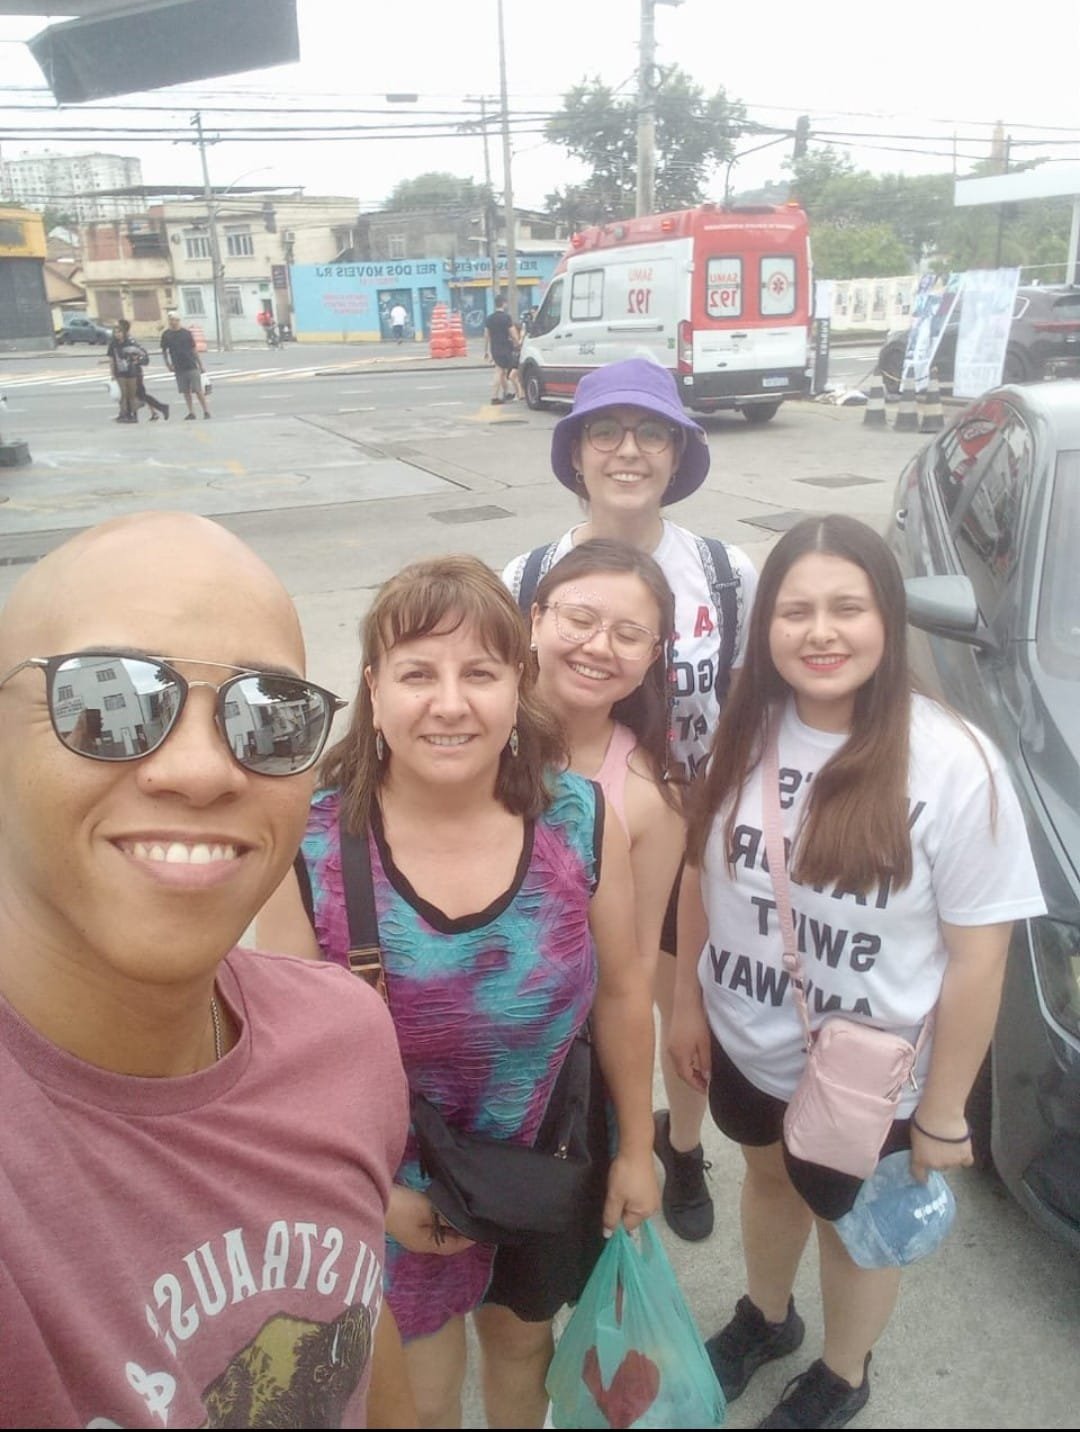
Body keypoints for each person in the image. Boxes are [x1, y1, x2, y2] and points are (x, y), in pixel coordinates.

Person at [0, 510, 416, 1429]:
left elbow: (352, 1314)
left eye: (270, 717)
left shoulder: (346, 1037)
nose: (200, 769)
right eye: (107, 699)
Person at [257, 554, 659, 1430]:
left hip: (544, 1167)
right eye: (417, 674)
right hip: (400, 1198)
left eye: (479, 673)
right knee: (424, 1399)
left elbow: (626, 993)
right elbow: (285, 1071)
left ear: (518, 685)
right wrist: (372, 1199)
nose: (449, 703)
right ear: (373, 689)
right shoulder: (311, 849)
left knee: (522, 1354)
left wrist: (637, 1148)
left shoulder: (579, 821)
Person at [669, 514, 1045, 1430]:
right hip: (747, 1042)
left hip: (871, 1085)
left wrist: (944, 1110)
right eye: (795, 610)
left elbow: (980, 953)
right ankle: (767, 1318)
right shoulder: (741, 733)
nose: (820, 632)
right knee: (767, 1182)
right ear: (766, 626)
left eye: (848, 607)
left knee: (855, 1229)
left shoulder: (955, 764)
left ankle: (843, 1372)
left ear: (888, 619)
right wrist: (685, 1005)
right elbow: (695, 875)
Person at [503, 356, 758, 1244]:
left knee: (681, 1004)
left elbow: (755, 702)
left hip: (686, 832)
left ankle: (679, 1145)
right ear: (576, 453)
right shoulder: (529, 572)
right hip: (553, 827)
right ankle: (573, 1140)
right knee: (570, 996)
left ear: (677, 454)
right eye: (605, 432)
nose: (628, 451)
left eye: (652, 433)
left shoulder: (724, 572)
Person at [530, 538, 685, 1021]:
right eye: (579, 620)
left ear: (653, 655)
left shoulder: (649, 799)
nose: (598, 647)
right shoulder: (465, 732)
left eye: (629, 635)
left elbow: (633, 975)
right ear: (535, 621)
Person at [113, 319, 170, 422]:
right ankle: (130, 414)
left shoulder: (130, 341)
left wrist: (135, 361)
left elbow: (140, 355)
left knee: (137, 395)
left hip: (135, 372)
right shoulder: (119, 341)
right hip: (128, 372)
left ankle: (159, 408)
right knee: (136, 394)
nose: (116, 331)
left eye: (119, 328)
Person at [161, 310, 211, 420]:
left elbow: (194, 349)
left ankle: (206, 411)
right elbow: (164, 351)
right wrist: (168, 364)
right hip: (178, 366)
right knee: (185, 391)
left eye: (175, 320)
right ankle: (191, 412)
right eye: (170, 320)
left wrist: (200, 364)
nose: (173, 322)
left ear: (178, 320)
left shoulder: (186, 333)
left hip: (191, 364)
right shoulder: (166, 335)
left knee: (198, 390)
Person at [107, 318, 149, 423]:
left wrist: (136, 360)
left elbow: (141, 353)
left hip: (131, 371)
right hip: (120, 372)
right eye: (115, 332)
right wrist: (112, 373)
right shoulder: (113, 344)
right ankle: (124, 414)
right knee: (123, 395)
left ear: (124, 333)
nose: (117, 334)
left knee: (132, 394)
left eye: (119, 332)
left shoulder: (130, 342)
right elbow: (111, 359)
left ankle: (134, 415)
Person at [483, 296, 523, 404]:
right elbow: (513, 333)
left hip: (495, 348)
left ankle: (506, 392)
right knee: (500, 371)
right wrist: (517, 344)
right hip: (505, 347)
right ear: (504, 304)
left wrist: (486, 350)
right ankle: (494, 397)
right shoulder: (506, 318)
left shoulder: (489, 318)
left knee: (502, 371)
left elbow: (486, 335)